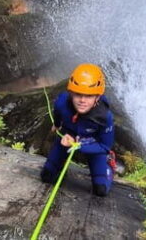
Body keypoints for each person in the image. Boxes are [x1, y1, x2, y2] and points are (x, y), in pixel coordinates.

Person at [40, 63, 115, 197]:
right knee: (46, 176)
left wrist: (78, 145)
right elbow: (57, 113)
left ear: (97, 97)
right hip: (68, 135)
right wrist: (57, 125)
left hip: (93, 143)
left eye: (89, 96)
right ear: (71, 93)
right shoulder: (62, 102)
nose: (82, 100)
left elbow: (105, 146)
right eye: (78, 94)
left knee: (100, 190)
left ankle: (108, 165)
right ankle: (59, 167)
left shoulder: (105, 117)